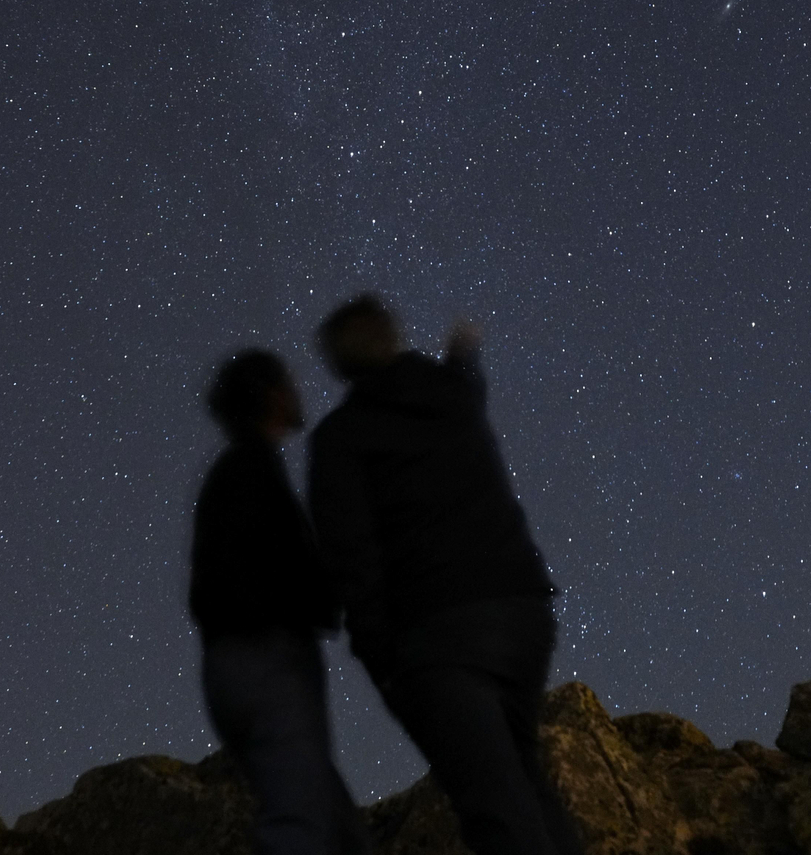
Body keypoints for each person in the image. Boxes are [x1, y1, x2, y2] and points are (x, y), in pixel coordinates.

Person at [307, 296, 581, 855]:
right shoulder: (451, 397)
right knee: (523, 780)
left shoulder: (342, 439)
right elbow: (465, 384)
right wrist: (461, 356)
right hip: (521, 611)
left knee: (494, 805)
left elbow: (350, 556)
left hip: (436, 635)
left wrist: (380, 659)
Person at [191, 349, 370, 855]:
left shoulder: (236, 474)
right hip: (266, 661)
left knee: (337, 830)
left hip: (235, 665)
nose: (297, 391)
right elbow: (272, 572)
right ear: (271, 395)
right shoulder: (252, 473)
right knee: (300, 825)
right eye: (288, 383)